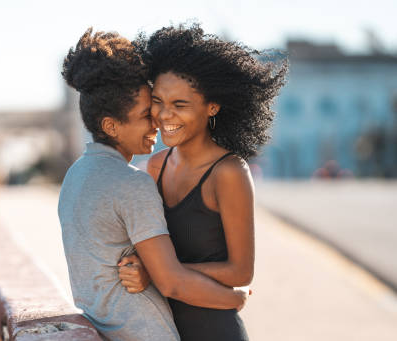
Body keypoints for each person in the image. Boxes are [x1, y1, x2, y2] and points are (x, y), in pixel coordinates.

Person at [58, 28, 248, 341]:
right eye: (147, 114)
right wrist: (236, 299)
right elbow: (171, 281)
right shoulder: (132, 182)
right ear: (111, 126)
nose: (156, 122)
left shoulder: (74, 176)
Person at [118, 23, 287, 340]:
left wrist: (157, 273)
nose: (164, 115)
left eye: (180, 105)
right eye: (158, 101)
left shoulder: (228, 172)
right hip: (163, 330)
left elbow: (240, 271)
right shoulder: (152, 168)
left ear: (212, 106)